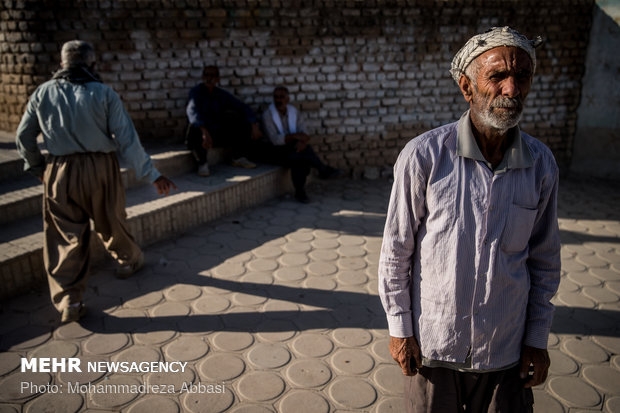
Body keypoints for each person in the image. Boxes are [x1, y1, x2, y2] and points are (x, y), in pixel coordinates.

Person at [378, 27, 560, 412]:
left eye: (522, 76)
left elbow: (544, 261)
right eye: (497, 76)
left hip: (505, 349)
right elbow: (396, 252)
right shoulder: (424, 157)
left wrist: (537, 338)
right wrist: (400, 330)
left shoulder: (541, 164)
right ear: (467, 87)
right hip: (434, 348)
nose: (512, 89)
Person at [15, 40, 177, 324]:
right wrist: (153, 174)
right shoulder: (104, 93)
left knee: (64, 236)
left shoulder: (43, 93)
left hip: (59, 169)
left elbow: (23, 137)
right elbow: (127, 140)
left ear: (62, 64)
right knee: (111, 220)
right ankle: (128, 261)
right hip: (101, 167)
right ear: (93, 65)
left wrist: (39, 168)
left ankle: (70, 300)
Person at [261, 86, 339, 203]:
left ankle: (300, 191)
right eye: (276, 97)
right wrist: (295, 137)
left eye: (282, 97)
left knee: (298, 157)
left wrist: (301, 142)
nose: (278, 100)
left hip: (292, 148)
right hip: (275, 151)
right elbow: (275, 140)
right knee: (301, 154)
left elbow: (305, 134)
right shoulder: (268, 115)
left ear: (288, 99)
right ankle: (322, 170)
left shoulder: (294, 112)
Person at [185, 65, 262, 176]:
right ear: (202, 77)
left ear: (217, 79)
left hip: (215, 132)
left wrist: (254, 124)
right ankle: (202, 163)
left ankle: (238, 157)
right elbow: (192, 111)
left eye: (212, 76)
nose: (209, 78)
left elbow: (242, 107)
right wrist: (204, 130)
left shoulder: (220, 94)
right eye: (206, 75)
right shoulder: (196, 92)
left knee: (240, 120)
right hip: (200, 133)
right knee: (194, 128)